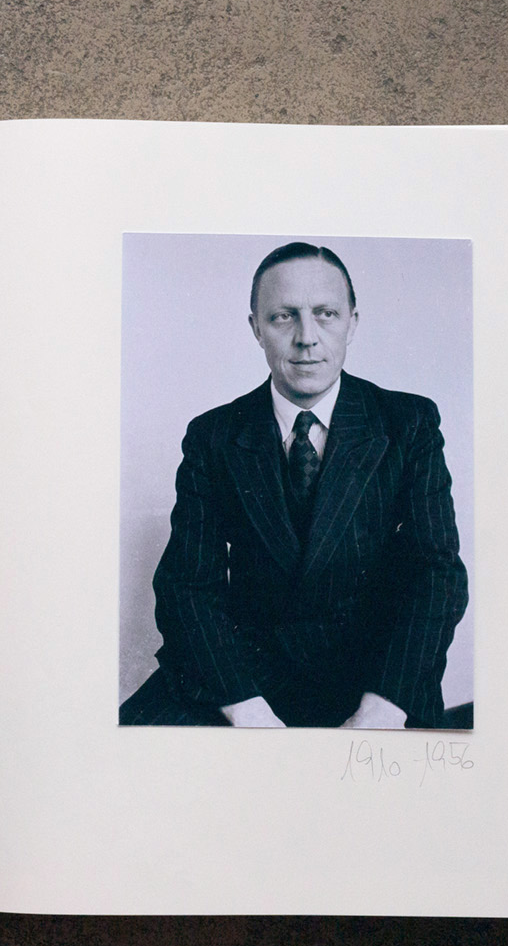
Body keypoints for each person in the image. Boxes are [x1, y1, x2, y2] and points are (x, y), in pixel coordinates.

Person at [119, 242, 468, 729]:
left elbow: (437, 575)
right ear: (256, 328)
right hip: (245, 672)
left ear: (352, 323)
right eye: (284, 317)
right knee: (126, 744)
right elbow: (187, 587)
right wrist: (246, 710)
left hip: (375, 674)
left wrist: (383, 707)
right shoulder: (214, 435)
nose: (307, 338)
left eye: (326, 314)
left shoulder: (407, 423)